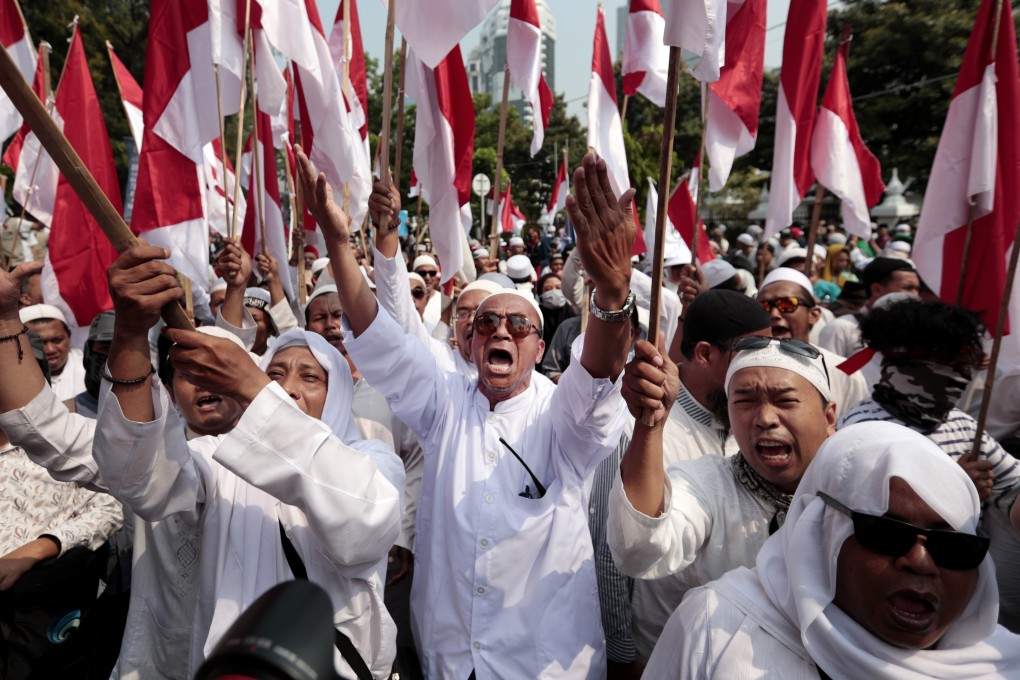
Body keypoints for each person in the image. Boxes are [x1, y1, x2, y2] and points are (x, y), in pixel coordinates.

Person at [300, 148, 636, 679]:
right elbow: (378, 337)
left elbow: (596, 374)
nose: (501, 330)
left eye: (518, 325)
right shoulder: (444, 403)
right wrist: (340, 244)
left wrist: (613, 292)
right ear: (469, 343)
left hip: (544, 662)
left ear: (538, 344)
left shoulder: (559, 416)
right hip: (450, 657)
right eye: (486, 323)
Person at [62, 247, 402, 678]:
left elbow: (364, 526)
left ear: (338, 396)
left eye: (310, 377)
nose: (287, 389)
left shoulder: (372, 461)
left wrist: (256, 388)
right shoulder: (221, 457)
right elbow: (138, 478)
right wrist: (130, 334)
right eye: (274, 375)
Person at [643, 422, 1020, 679]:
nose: (921, 562)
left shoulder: (1000, 666)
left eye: (953, 547)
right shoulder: (718, 626)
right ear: (820, 531)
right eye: (887, 534)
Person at [608, 336, 836, 659]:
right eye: (745, 401)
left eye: (784, 401)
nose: (764, 418)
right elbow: (638, 550)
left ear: (829, 418)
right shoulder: (709, 484)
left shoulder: (853, 492)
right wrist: (650, 427)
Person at [624, 290, 771, 663]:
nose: (764, 363)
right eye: (751, 351)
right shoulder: (645, 425)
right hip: (662, 647)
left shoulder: (758, 422)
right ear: (705, 353)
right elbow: (618, 555)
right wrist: (620, 651)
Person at [757, 268, 868, 418]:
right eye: (764, 307)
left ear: (813, 315)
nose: (774, 314)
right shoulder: (740, 370)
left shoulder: (844, 374)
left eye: (787, 304)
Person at [818, 257, 920, 358]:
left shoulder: (914, 330)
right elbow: (827, 371)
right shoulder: (841, 328)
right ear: (877, 289)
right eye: (908, 288)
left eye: (917, 289)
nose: (915, 295)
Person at [20, 303, 84, 401]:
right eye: (40, 343)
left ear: (69, 336)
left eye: (58, 340)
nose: (51, 350)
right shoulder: (13, 379)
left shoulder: (89, 368)